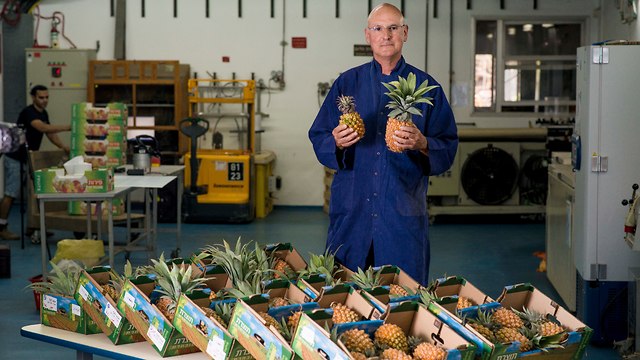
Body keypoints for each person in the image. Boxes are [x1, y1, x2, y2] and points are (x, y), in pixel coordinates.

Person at [308, 3, 458, 286]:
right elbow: (319, 135)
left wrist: (423, 142)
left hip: (400, 214)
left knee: (403, 296)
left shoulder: (427, 87)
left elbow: (448, 145)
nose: (385, 35)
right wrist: (336, 141)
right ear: (368, 35)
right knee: (344, 294)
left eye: (393, 28)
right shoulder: (347, 83)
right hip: (352, 213)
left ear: (405, 33)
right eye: (378, 28)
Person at [0, 85, 70, 240]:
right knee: (11, 193)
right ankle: (2, 226)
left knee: (35, 193)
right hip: (15, 157)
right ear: (33, 97)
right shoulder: (29, 112)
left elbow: (49, 133)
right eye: (41, 97)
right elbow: (42, 127)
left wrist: (63, 146)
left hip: (29, 158)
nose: (44, 100)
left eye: (47, 97)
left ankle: (33, 226)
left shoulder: (43, 113)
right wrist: (69, 127)